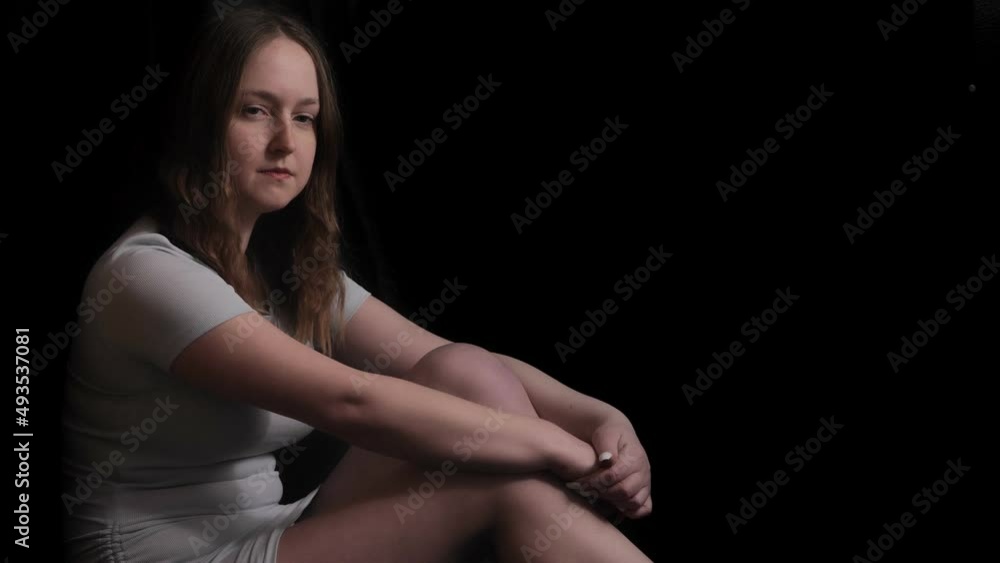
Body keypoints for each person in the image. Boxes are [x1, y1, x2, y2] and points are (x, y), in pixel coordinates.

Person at [59, 6, 653, 563]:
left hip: (270, 529)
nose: (286, 142)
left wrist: (602, 421)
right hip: (164, 555)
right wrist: (566, 454)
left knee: (464, 372)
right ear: (198, 121)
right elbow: (353, 402)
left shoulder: (286, 267)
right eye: (254, 110)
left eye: (304, 117)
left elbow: (455, 363)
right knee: (514, 490)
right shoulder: (148, 274)